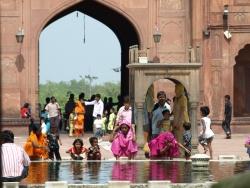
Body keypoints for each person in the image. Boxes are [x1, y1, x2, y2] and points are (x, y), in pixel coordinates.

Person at [172, 84, 190, 156]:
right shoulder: (176, 99)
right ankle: (178, 152)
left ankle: (182, 153)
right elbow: (174, 111)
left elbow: (182, 111)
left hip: (182, 121)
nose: (175, 90)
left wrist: (179, 123)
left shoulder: (183, 98)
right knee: (177, 137)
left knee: (182, 138)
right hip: (176, 120)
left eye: (176, 88)